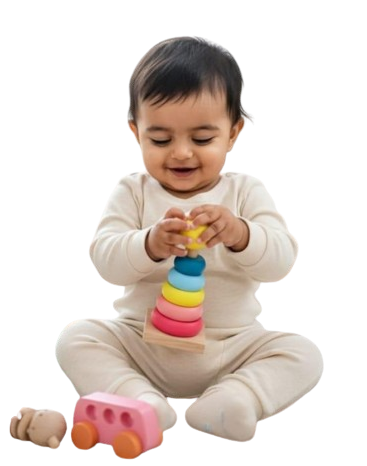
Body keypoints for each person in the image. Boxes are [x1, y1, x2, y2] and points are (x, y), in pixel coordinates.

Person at [55, 36, 324, 443]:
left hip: (232, 347)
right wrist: (149, 244)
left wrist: (240, 234)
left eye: (201, 139)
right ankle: (139, 400)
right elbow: (106, 262)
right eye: (161, 140)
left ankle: (234, 399)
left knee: (305, 353)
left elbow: (282, 261)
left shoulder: (245, 191)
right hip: (141, 343)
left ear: (233, 133)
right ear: (136, 133)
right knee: (76, 337)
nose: (181, 153)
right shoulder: (133, 191)